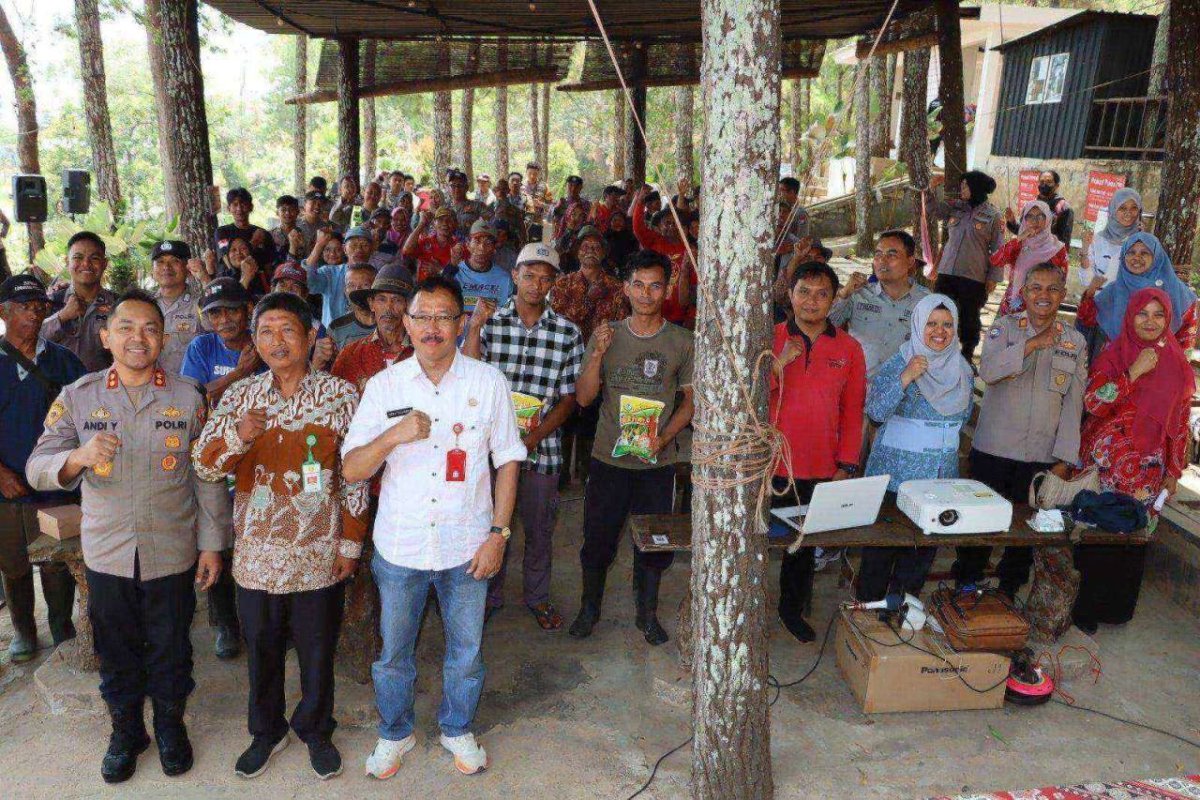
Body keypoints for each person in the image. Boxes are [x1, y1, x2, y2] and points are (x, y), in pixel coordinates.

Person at [25, 288, 231, 784]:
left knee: (171, 646)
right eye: (127, 327)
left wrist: (211, 543)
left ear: (163, 338)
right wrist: (77, 456)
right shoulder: (78, 396)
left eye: (150, 328)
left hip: (172, 549)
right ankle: (125, 732)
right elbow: (36, 467)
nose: (139, 338)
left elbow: (204, 475)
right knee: (115, 649)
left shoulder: (187, 396)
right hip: (109, 553)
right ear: (106, 336)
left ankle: (168, 727)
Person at [341, 276, 524, 779]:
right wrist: (391, 436)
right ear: (406, 323)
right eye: (422, 317)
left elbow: (508, 459)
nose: (433, 327)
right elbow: (353, 467)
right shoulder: (385, 386)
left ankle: (457, 727)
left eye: (444, 316)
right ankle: (394, 733)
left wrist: (498, 534)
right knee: (393, 654)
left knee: (465, 653)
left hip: (468, 545)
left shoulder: (487, 381)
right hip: (400, 547)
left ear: (461, 322)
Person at [193, 292, 367, 780]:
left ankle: (316, 729)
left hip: (317, 552)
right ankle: (265, 732)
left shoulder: (340, 396)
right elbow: (203, 464)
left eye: (288, 329)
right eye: (266, 331)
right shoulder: (239, 397)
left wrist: (350, 544)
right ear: (254, 340)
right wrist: (238, 436)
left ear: (311, 336)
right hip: (257, 556)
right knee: (262, 650)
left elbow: (354, 477)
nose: (277, 340)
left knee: (317, 651)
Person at [569, 250, 695, 645]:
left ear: (667, 288)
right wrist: (598, 355)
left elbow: (691, 403)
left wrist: (663, 437)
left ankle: (647, 613)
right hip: (608, 457)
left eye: (655, 285)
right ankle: (589, 609)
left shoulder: (682, 341)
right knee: (598, 538)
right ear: (625, 289)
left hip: (656, 462)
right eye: (638, 285)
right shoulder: (606, 334)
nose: (645, 293)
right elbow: (585, 398)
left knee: (654, 541)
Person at [464, 243, 584, 630]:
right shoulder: (492, 324)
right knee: (490, 527)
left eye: (545, 277)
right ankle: (489, 595)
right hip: (490, 452)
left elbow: (569, 400)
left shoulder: (567, 333)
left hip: (542, 450)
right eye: (529, 275)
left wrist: (531, 439)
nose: (536, 284)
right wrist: (475, 327)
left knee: (539, 529)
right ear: (514, 276)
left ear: (554, 283)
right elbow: (466, 376)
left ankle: (537, 597)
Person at [953, 264, 1087, 598]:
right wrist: (1031, 344)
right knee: (981, 523)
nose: (1044, 295)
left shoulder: (1075, 341)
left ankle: (1008, 590)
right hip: (994, 451)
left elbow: (1074, 404)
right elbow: (989, 370)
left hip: (1040, 455)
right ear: (1024, 292)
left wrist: (1065, 457)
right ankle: (966, 583)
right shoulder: (1004, 328)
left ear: (1062, 295)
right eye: (1036, 288)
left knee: (1026, 531)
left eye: (1052, 289)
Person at [1071, 288, 1192, 634]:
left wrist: (1173, 469)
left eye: (1158, 315)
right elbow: (1093, 403)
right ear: (1130, 316)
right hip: (1105, 465)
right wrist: (1132, 374)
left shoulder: (1178, 364)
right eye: (1143, 313)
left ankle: (1116, 608)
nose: (1150, 321)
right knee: (1097, 531)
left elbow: (1179, 421)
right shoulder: (1113, 354)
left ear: (1168, 319)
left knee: (1133, 535)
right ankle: (1086, 608)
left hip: (1148, 471)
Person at [771, 262, 866, 642]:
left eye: (821, 293)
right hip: (768, 463)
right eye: (804, 292)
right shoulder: (768, 337)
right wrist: (779, 364)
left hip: (821, 467)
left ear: (833, 298)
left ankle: (791, 610)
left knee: (801, 546)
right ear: (789, 295)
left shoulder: (849, 347)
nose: (811, 301)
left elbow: (853, 409)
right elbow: (744, 398)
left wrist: (846, 464)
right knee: (757, 537)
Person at [856, 295, 974, 601]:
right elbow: (876, 413)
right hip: (894, 481)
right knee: (879, 557)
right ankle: (866, 623)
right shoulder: (900, 361)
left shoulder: (962, 370)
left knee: (919, 558)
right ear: (918, 324)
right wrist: (906, 377)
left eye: (947, 324)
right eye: (931, 324)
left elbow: (960, 421)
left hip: (937, 482)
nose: (939, 331)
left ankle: (901, 620)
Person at [0, 275, 86, 662]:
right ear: (3, 312)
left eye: (39, 307)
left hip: (55, 483)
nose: (33, 314)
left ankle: (61, 626)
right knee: (13, 560)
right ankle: (23, 630)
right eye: (23, 307)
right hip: (7, 486)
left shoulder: (63, 359)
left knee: (57, 559)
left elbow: (89, 415)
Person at [550, 227, 632, 484]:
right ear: (577, 251)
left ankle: (587, 473)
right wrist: (588, 299)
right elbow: (558, 323)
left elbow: (620, 327)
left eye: (596, 247)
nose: (590, 251)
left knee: (591, 420)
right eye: (585, 246)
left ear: (604, 253)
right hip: (565, 362)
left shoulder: (617, 288)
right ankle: (560, 473)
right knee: (564, 417)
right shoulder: (562, 284)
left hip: (600, 365)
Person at [1076, 232, 1198, 357]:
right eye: (1131, 252)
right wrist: (1090, 294)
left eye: (1144, 253)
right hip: (1115, 367)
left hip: (1159, 366)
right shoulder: (1114, 290)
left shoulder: (1178, 292)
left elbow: (1186, 340)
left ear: (1156, 257)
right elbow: (1088, 322)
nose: (1136, 257)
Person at [830, 230, 930, 378]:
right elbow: (827, 325)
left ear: (910, 262)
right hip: (859, 388)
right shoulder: (858, 294)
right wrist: (844, 294)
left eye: (891, 255)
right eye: (878, 254)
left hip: (904, 392)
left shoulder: (926, 302)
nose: (882, 260)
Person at [932, 171, 1005, 360]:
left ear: (976, 188)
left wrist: (993, 278)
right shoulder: (956, 208)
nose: (962, 189)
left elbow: (998, 250)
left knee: (969, 318)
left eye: (965, 185)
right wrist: (934, 189)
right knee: (939, 311)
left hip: (973, 277)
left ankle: (966, 355)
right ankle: (937, 351)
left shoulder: (993, 215)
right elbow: (934, 211)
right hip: (947, 272)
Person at [42, 231, 118, 372]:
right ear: (67, 262)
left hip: (104, 388)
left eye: (94, 258)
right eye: (78, 257)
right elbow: (29, 341)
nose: (86, 264)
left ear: (105, 263)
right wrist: (61, 316)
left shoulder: (118, 305)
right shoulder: (51, 302)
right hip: (58, 390)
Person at [332, 263, 415, 391]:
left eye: (397, 300)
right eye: (382, 299)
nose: (388, 308)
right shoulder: (350, 356)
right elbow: (334, 404)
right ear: (372, 304)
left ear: (409, 306)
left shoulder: (424, 353)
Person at [630, 186, 694, 327]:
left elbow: (695, 285)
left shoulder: (690, 250)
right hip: (653, 312)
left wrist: (691, 316)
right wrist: (640, 202)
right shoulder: (654, 241)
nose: (671, 226)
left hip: (679, 317)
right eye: (667, 223)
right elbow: (638, 228)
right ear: (659, 226)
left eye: (675, 223)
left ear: (683, 227)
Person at [992, 200, 1068, 316]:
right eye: (1030, 216)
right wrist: (1020, 238)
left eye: (1040, 216)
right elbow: (996, 260)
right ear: (1024, 220)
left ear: (1048, 219)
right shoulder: (1018, 244)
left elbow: (1061, 282)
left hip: (1040, 310)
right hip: (1012, 306)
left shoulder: (1057, 249)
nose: (1035, 221)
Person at [150, 241, 205, 376]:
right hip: (148, 387)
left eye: (175, 261)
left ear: (187, 268)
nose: (166, 267)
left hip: (186, 388)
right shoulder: (143, 305)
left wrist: (205, 278)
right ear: (152, 269)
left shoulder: (199, 305)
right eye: (160, 262)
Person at [305, 226, 378, 328]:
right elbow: (308, 284)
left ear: (372, 249)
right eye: (353, 245)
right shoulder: (330, 273)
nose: (359, 250)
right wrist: (319, 245)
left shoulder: (378, 276)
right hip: (332, 337)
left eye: (364, 245)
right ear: (344, 249)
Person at [441, 219, 514, 317]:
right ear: (467, 244)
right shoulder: (453, 272)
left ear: (494, 249)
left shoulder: (504, 279)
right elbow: (440, 301)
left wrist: (497, 311)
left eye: (488, 243)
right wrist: (452, 265)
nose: (481, 247)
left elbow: (508, 315)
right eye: (476, 241)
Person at [1082, 188, 1143, 289]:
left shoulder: (1144, 242)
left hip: (1132, 302)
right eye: (1122, 208)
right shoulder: (1098, 240)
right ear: (1113, 209)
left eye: (1134, 208)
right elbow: (1086, 281)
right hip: (1101, 301)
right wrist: (1084, 250)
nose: (1128, 213)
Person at [1006, 170, 1074, 247]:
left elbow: (1063, 241)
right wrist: (1012, 222)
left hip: (1049, 255)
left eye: (1049, 182)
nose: (1044, 185)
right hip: (1029, 254)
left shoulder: (1063, 208)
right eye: (1041, 182)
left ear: (1056, 186)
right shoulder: (1030, 206)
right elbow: (1023, 232)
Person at [404, 206, 463, 282]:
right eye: (440, 220)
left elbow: (463, 279)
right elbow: (406, 250)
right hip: (423, 289)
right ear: (434, 223)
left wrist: (440, 270)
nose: (445, 223)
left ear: (455, 224)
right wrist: (421, 224)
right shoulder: (426, 241)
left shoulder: (459, 247)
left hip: (447, 291)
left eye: (449, 220)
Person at [328, 265, 378, 348]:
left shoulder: (389, 323)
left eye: (365, 285)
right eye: (351, 285)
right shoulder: (336, 328)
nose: (357, 290)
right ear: (345, 291)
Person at [215, 188, 270, 257]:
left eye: (243, 204)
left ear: (251, 207)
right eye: (235, 204)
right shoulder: (222, 232)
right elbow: (226, 258)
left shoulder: (263, 234)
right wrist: (254, 243)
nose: (239, 208)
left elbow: (270, 264)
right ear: (229, 209)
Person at [490, 178, 526, 247]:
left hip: (510, 244)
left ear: (508, 191)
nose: (501, 191)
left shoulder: (515, 210)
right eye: (499, 188)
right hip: (493, 245)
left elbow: (522, 228)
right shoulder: (489, 207)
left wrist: (522, 242)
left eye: (503, 189)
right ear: (495, 191)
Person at [270, 195, 303, 264]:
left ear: (298, 212)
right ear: (277, 213)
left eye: (291, 209)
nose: (287, 213)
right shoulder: (269, 235)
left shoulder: (304, 234)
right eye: (283, 210)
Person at [604, 209, 639, 273]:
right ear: (610, 223)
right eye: (614, 220)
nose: (617, 223)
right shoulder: (605, 236)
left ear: (625, 223)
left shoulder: (631, 238)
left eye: (620, 220)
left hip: (626, 270)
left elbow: (635, 255)